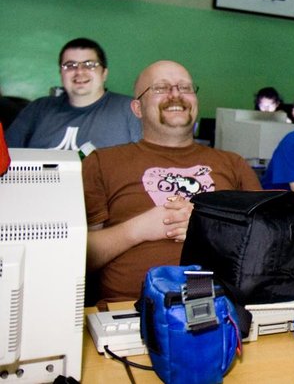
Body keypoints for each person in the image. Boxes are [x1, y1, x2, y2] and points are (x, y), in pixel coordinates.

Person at [83, 60, 262, 305]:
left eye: (185, 87)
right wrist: (138, 229)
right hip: (131, 309)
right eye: (161, 88)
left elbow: (269, 245)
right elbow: (77, 257)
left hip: (226, 307)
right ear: (137, 108)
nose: (176, 95)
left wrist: (207, 230)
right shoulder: (102, 162)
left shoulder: (233, 163)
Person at [6, 37, 141, 150]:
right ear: (61, 73)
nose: (79, 72)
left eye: (89, 65)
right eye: (70, 65)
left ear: (104, 73)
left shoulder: (131, 109)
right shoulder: (38, 109)